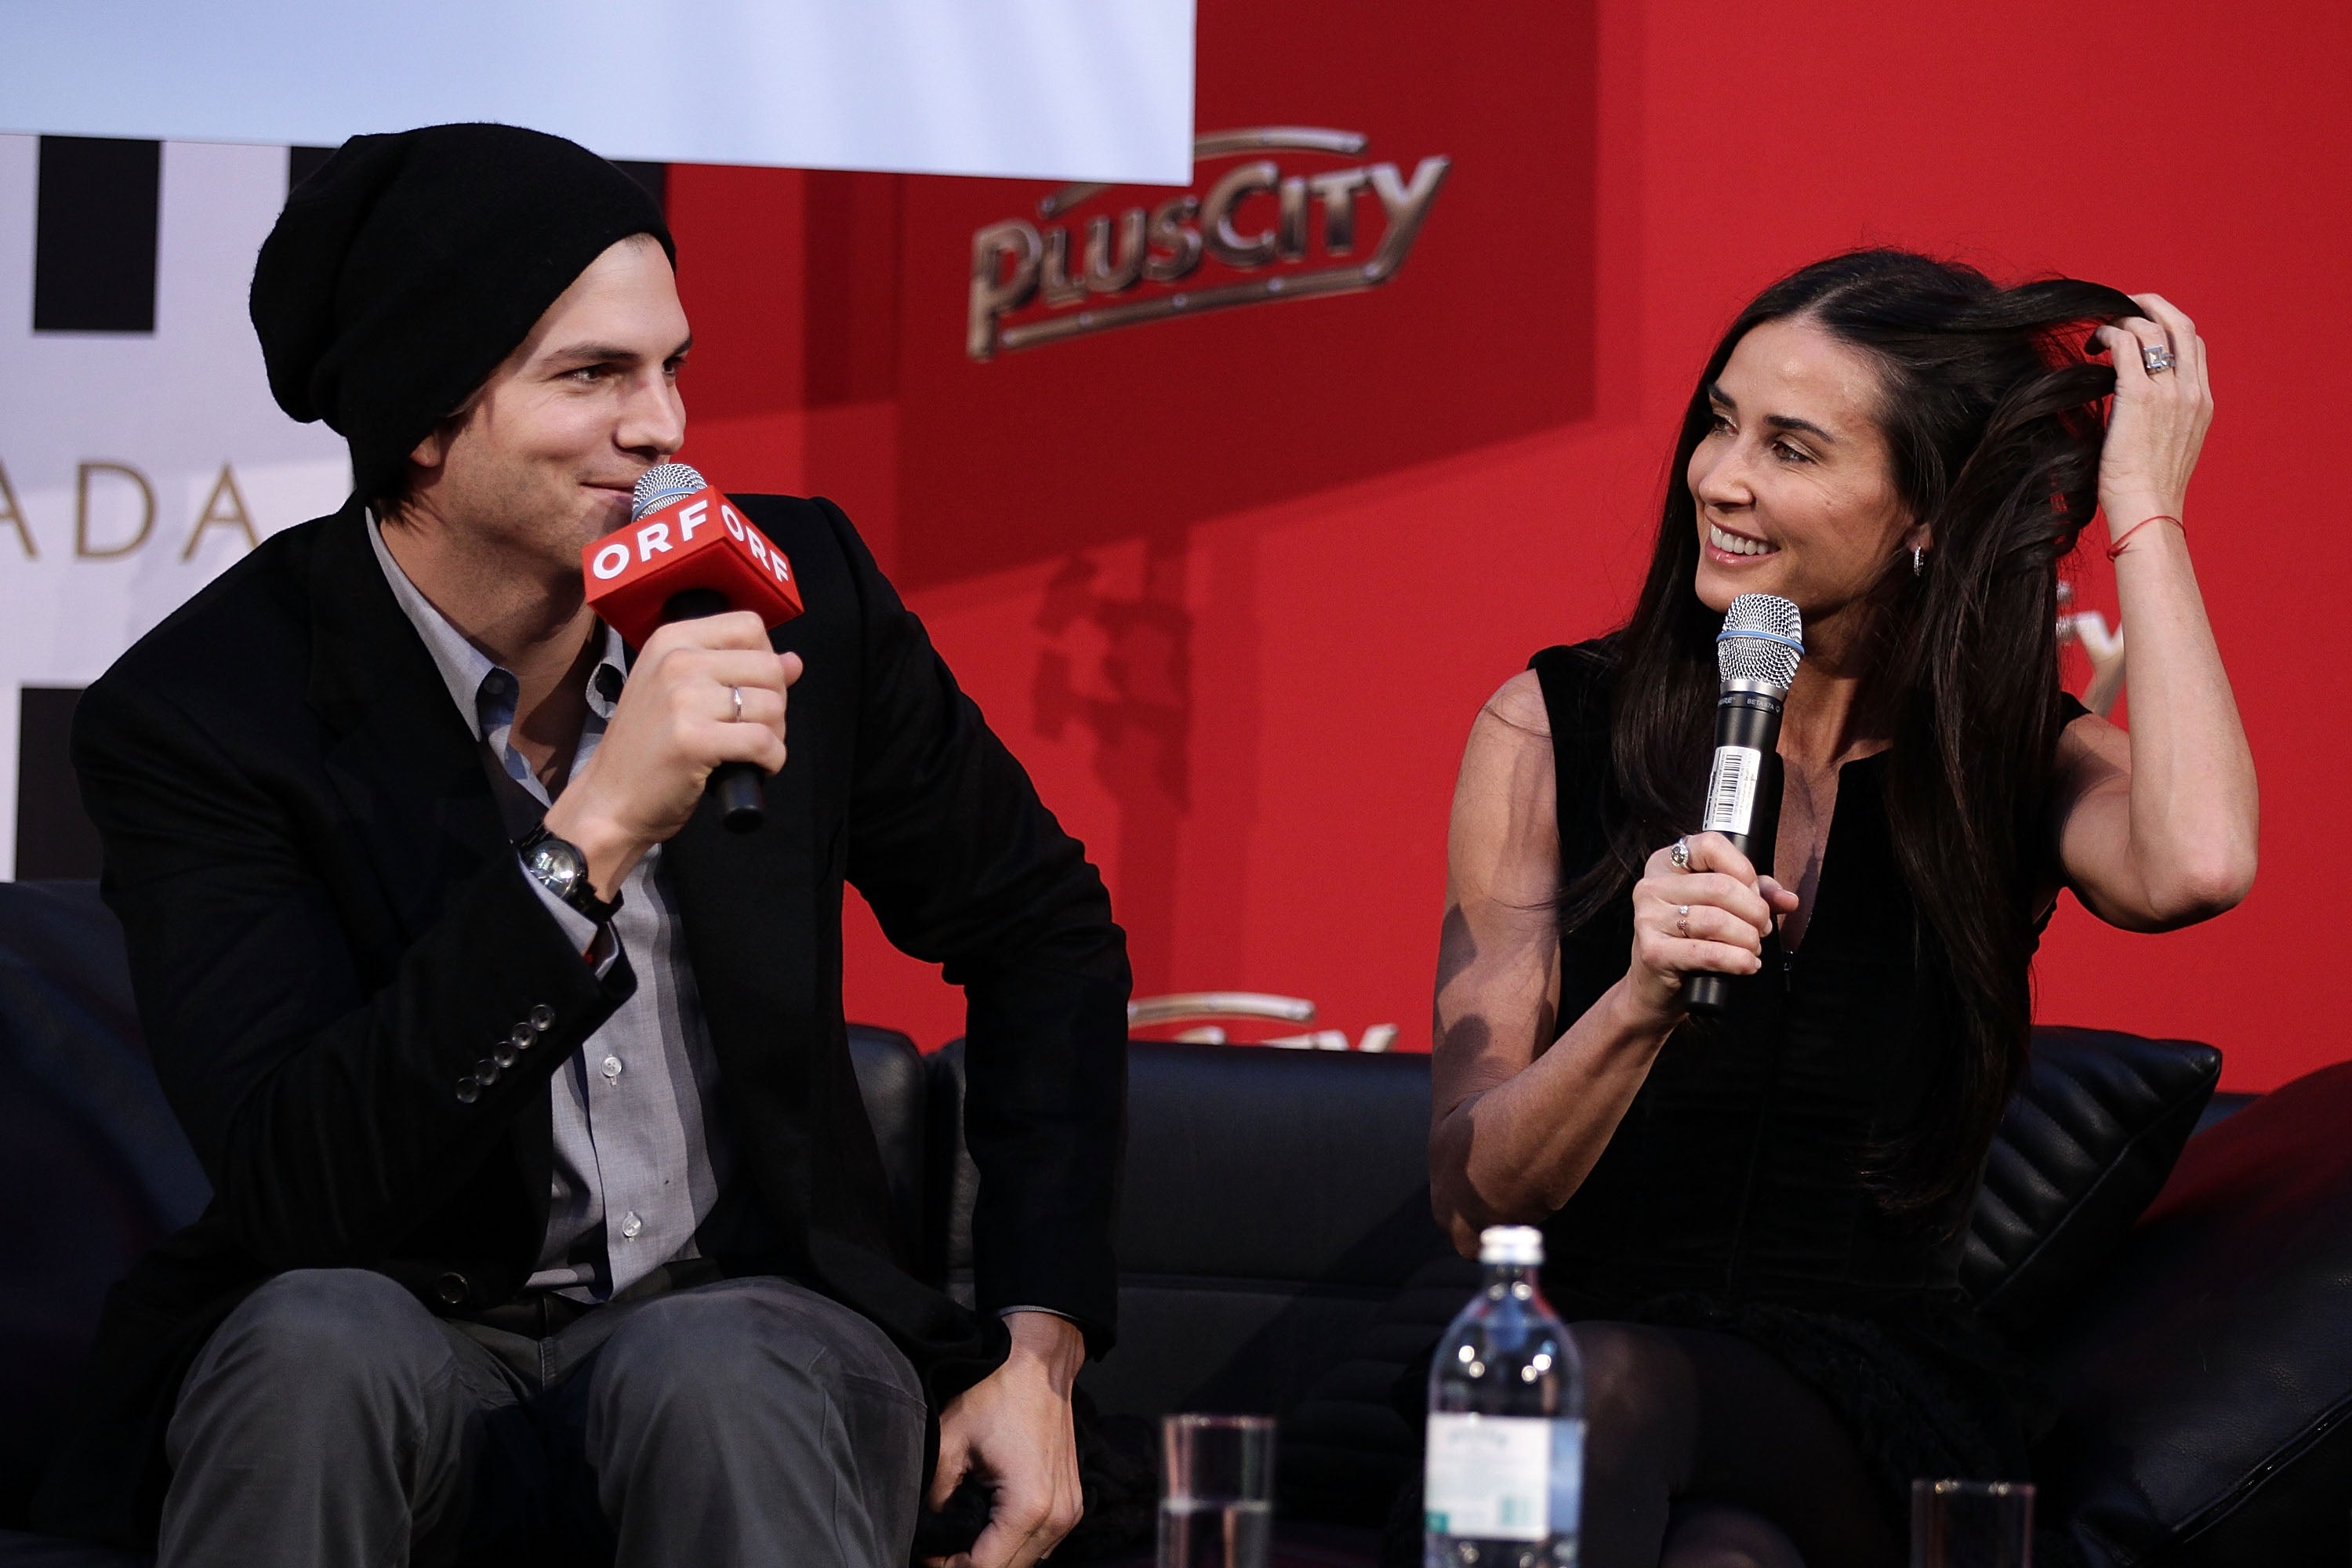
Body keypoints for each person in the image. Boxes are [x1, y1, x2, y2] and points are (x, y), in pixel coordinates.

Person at [31, 124, 1128, 1568]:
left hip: (747, 1318)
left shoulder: (792, 598)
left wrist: (1036, 1351)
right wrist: (591, 837)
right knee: (311, 1345)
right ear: (424, 419)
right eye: (593, 376)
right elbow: (302, 1185)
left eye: (671, 367)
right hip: (395, 1319)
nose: (663, 426)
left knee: (717, 1372)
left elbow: (1042, 929)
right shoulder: (209, 715)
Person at [1426, 250, 2254, 1567]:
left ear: (1924, 511)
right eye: (1719, 420)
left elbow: (2198, 862)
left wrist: (2144, 507)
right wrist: (1635, 1006)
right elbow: (1483, 1213)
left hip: (1865, 1401)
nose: (1720, 478)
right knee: (1719, 1553)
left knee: (1616, 1401)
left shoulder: (2006, 760)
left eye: (1792, 448)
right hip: (1579, 1361)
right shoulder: (1547, 729)